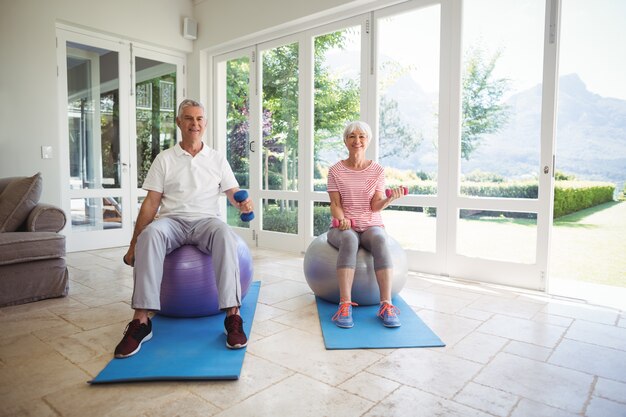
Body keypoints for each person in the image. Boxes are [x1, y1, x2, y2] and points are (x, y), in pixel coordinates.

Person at [114, 99, 254, 358]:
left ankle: (232, 317)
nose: (195, 123)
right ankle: (142, 322)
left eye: (199, 119)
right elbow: (151, 204)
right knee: (151, 234)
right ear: (179, 122)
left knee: (225, 234)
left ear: (206, 123)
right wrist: (134, 245)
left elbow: (233, 192)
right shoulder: (164, 159)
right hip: (172, 221)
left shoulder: (217, 158)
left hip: (206, 221)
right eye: (188, 118)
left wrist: (242, 203)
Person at [327, 121, 405, 329]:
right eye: (352, 136)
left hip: (371, 224)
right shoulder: (335, 170)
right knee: (350, 240)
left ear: (368, 141)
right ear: (345, 141)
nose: (357, 141)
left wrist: (389, 200)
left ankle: (386, 305)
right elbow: (335, 204)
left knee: (380, 238)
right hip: (343, 227)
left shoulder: (377, 170)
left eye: (361, 136)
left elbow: (375, 205)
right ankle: (345, 305)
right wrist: (341, 219)